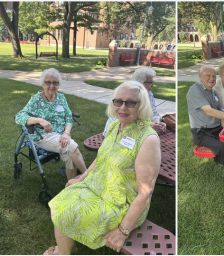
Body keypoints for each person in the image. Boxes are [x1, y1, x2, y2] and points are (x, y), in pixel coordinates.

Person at [44, 81, 161, 255]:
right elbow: (101, 158)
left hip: (121, 202)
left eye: (130, 102)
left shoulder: (148, 139)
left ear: (141, 105)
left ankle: (63, 252)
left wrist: (123, 230)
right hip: (98, 186)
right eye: (118, 101)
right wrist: (81, 177)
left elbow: (145, 192)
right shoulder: (115, 126)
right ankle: (67, 248)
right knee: (61, 201)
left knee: (66, 212)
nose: (122, 107)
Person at [15, 68, 87, 180]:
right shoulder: (36, 99)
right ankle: (90, 177)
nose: (52, 86)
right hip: (44, 135)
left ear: (59, 84)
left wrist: (66, 133)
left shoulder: (61, 98)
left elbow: (68, 117)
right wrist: (39, 120)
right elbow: (19, 116)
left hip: (62, 135)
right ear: (43, 83)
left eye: (55, 83)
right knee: (73, 147)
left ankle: (71, 189)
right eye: (48, 82)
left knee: (69, 157)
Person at [102, 67, 165, 136]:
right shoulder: (127, 94)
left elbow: (154, 113)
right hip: (118, 134)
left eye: (153, 82)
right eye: (150, 82)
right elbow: (121, 120)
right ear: (140, 82)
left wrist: (156, 123)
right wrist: (147, 125)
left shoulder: (149, 94)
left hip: (138, 131)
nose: (152, 85)